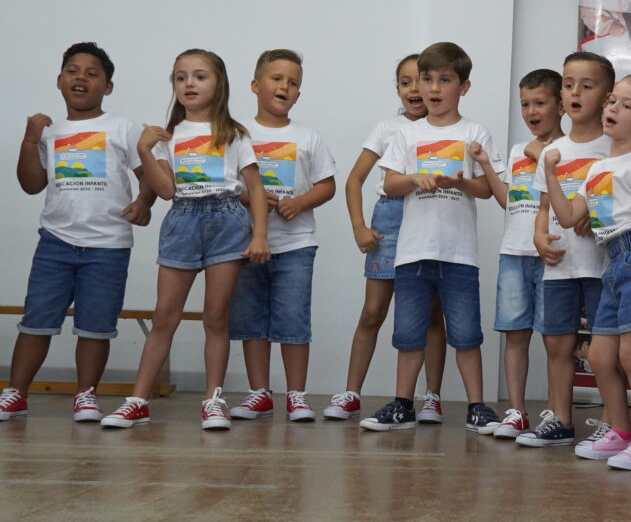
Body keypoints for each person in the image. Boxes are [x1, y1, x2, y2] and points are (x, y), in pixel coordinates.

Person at [102, 49, 270, 429]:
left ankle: (213, 399)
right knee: (164, 316)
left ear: (219, 84)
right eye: (181, 77)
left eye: (199, 76)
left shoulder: (234, 133)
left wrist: (260, 234)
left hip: (227, 220)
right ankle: (138, 400)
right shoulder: (168, 136)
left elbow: (256, 188)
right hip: (182, 220)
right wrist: (144, 148)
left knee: (215, 317)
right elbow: (165, 191)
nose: (189, 83)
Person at [542, 74, 631, 469]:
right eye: (612, 101)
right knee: (601, 358)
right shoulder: (595, 170)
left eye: (626, 105)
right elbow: (569, 215)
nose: (612, 109)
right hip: (615, 262)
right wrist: (552, 175)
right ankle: (620, 432)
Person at [1, 42, 155, 422]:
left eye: (92, 72)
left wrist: (144, 203)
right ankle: (15, 393)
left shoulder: (122, 127)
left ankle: (86, 395)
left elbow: (148, 172)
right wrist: (29, 139)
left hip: (108, 246)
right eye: (72, 70)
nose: (81, 77)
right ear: (59, 81)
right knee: (36, 320)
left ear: (108, 86)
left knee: (96, 326)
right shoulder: (49, 132)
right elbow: (31, 185)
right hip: (55, 241)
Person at [361, 42, 504, 433]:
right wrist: (412, 179)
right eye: (428, 79)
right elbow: (389, 184)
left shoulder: (475, 132)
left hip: (459, 254)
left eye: (445, 80)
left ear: (465, 86)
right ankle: (403, 404)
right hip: (411, 253)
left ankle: (477, 406)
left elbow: (488, 190)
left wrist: (462, 184)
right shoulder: (407, 133)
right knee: (408, 334)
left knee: (466, 334)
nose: (434, 88)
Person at [325, 54, 447, 423]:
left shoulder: (447, 130)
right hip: (391, 219)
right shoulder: (387, 128)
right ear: (397, 89)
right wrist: (360, 227)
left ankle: (431, 397)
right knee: (374, 311)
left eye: (422, 80)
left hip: (429, 218)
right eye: (406, 82)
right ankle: (351, 393)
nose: (415, 89)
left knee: (430, 314)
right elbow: (353, 180)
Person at [225, 50, 336, 422]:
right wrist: (245, 196)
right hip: (244, 244)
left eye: (293, 83)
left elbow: (328, 185)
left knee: (293, 320)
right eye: (276, 79)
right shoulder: (235, 133)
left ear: (298, 94)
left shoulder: (308, 136)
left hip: (296, 246)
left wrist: (301, 203)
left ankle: (297, 396)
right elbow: (224, 185)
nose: (284, 87)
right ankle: (260, 393)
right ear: (256, 85)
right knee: (251, 320)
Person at [516, 52, 614, 448]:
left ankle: (613, 422)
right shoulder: (554, 151)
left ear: (607, 95)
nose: (575, 92)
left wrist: (600, 214)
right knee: (556, 342)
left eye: (586, 86)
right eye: (569, 84)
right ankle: (560, 419)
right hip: (560, 263)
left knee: (607, 347)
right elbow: (543, 208)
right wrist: (539, 238)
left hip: (601, 263)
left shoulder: (614, 146)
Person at [470, 68, 565, 438]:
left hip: (552, 252)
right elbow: (509, 200)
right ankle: (517, 411)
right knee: (515, 334)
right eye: (525, 104)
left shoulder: (567, 149)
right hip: (514, 252)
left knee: (555, 338)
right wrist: (484, 166)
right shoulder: (516, 151)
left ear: (561, 106)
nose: (531, 111)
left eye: (540, 103)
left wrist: (539, 153)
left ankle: (557, 413)